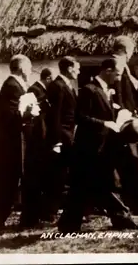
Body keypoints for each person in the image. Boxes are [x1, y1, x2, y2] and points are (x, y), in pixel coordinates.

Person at [58, 58, 138, 232]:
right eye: (117, 74)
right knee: (82, 189)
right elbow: (81, 118)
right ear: (108, 70)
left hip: (102, 148)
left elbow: (104, 112)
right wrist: (105, 123)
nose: (118, 78)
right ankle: (68, 226)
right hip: (88, 149)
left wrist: (119, 112)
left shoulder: (105, 90)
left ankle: (121, 219)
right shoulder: (89, 90)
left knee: (104, 185)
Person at [0, 54, 40, 235]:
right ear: (22, 68)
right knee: (6, 186)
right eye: (29, 67)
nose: (31, 71)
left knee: (8, 185)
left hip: (11, 145)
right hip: (7, 147)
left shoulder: (14, 86)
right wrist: (28, 113)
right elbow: (10, 116)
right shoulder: (12, 86)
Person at [109, 35, 138, 214]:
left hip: (128, 116)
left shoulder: (124, 67)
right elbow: (118, 94)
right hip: (123, 120)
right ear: (125, 50)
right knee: (128, 163)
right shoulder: (117, 64)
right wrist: (124, 116)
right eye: (130, 50)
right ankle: (133, 202)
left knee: (129, 162)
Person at [43, 56, 80, 222]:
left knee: (64, 175)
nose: (78, 72)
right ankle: (50, 211)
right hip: (62, 136)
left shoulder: (67, 85)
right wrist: (56, 141)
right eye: (77, 69)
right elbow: (55, 115)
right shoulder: (57, 86)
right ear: (70, 68)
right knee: (57, 175)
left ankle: (57, 210)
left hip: (69, 134)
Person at [19, 68, 54, 226]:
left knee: (40, 179)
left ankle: (37, 214)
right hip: (35, 141)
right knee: (34, 179)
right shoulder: (35, 90)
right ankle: (30, 217)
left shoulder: (40, 90)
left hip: (39, 141)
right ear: (48, 78)